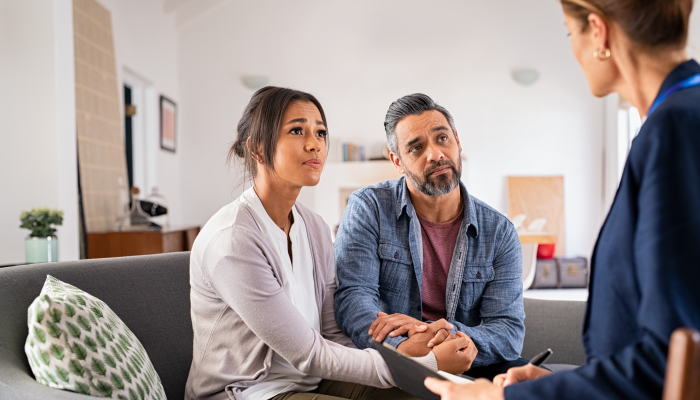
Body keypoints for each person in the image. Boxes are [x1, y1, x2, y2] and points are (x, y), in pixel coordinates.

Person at [424, 0, 700, 399]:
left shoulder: (675, 129)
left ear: (598, 32)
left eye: (572, 35)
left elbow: (673, 361)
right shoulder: (677, 119)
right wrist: (557, 383)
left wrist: (498, 398)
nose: (574, 50)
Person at [185, 86, 471, 400]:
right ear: (258, 149)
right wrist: (423, 362)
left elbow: (333, 334)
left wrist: (401, 351)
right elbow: (309, 353)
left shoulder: (315, 227)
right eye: (297, 131)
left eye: (320, 133)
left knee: (426, 395)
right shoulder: (233, 239)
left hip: (312, 381)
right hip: (249, 392)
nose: (314, 145)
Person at [334, 93, 527, 380]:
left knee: (546, 384)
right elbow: (354, 298)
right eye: (416, 147)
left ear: (457, 141)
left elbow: (508, 329)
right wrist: (408, 349)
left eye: (442, 139)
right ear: (397, 161)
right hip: (398, 360)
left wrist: (447, 335)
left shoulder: (499, 231)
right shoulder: (369, 207)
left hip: (468, 357)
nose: (435, 154)